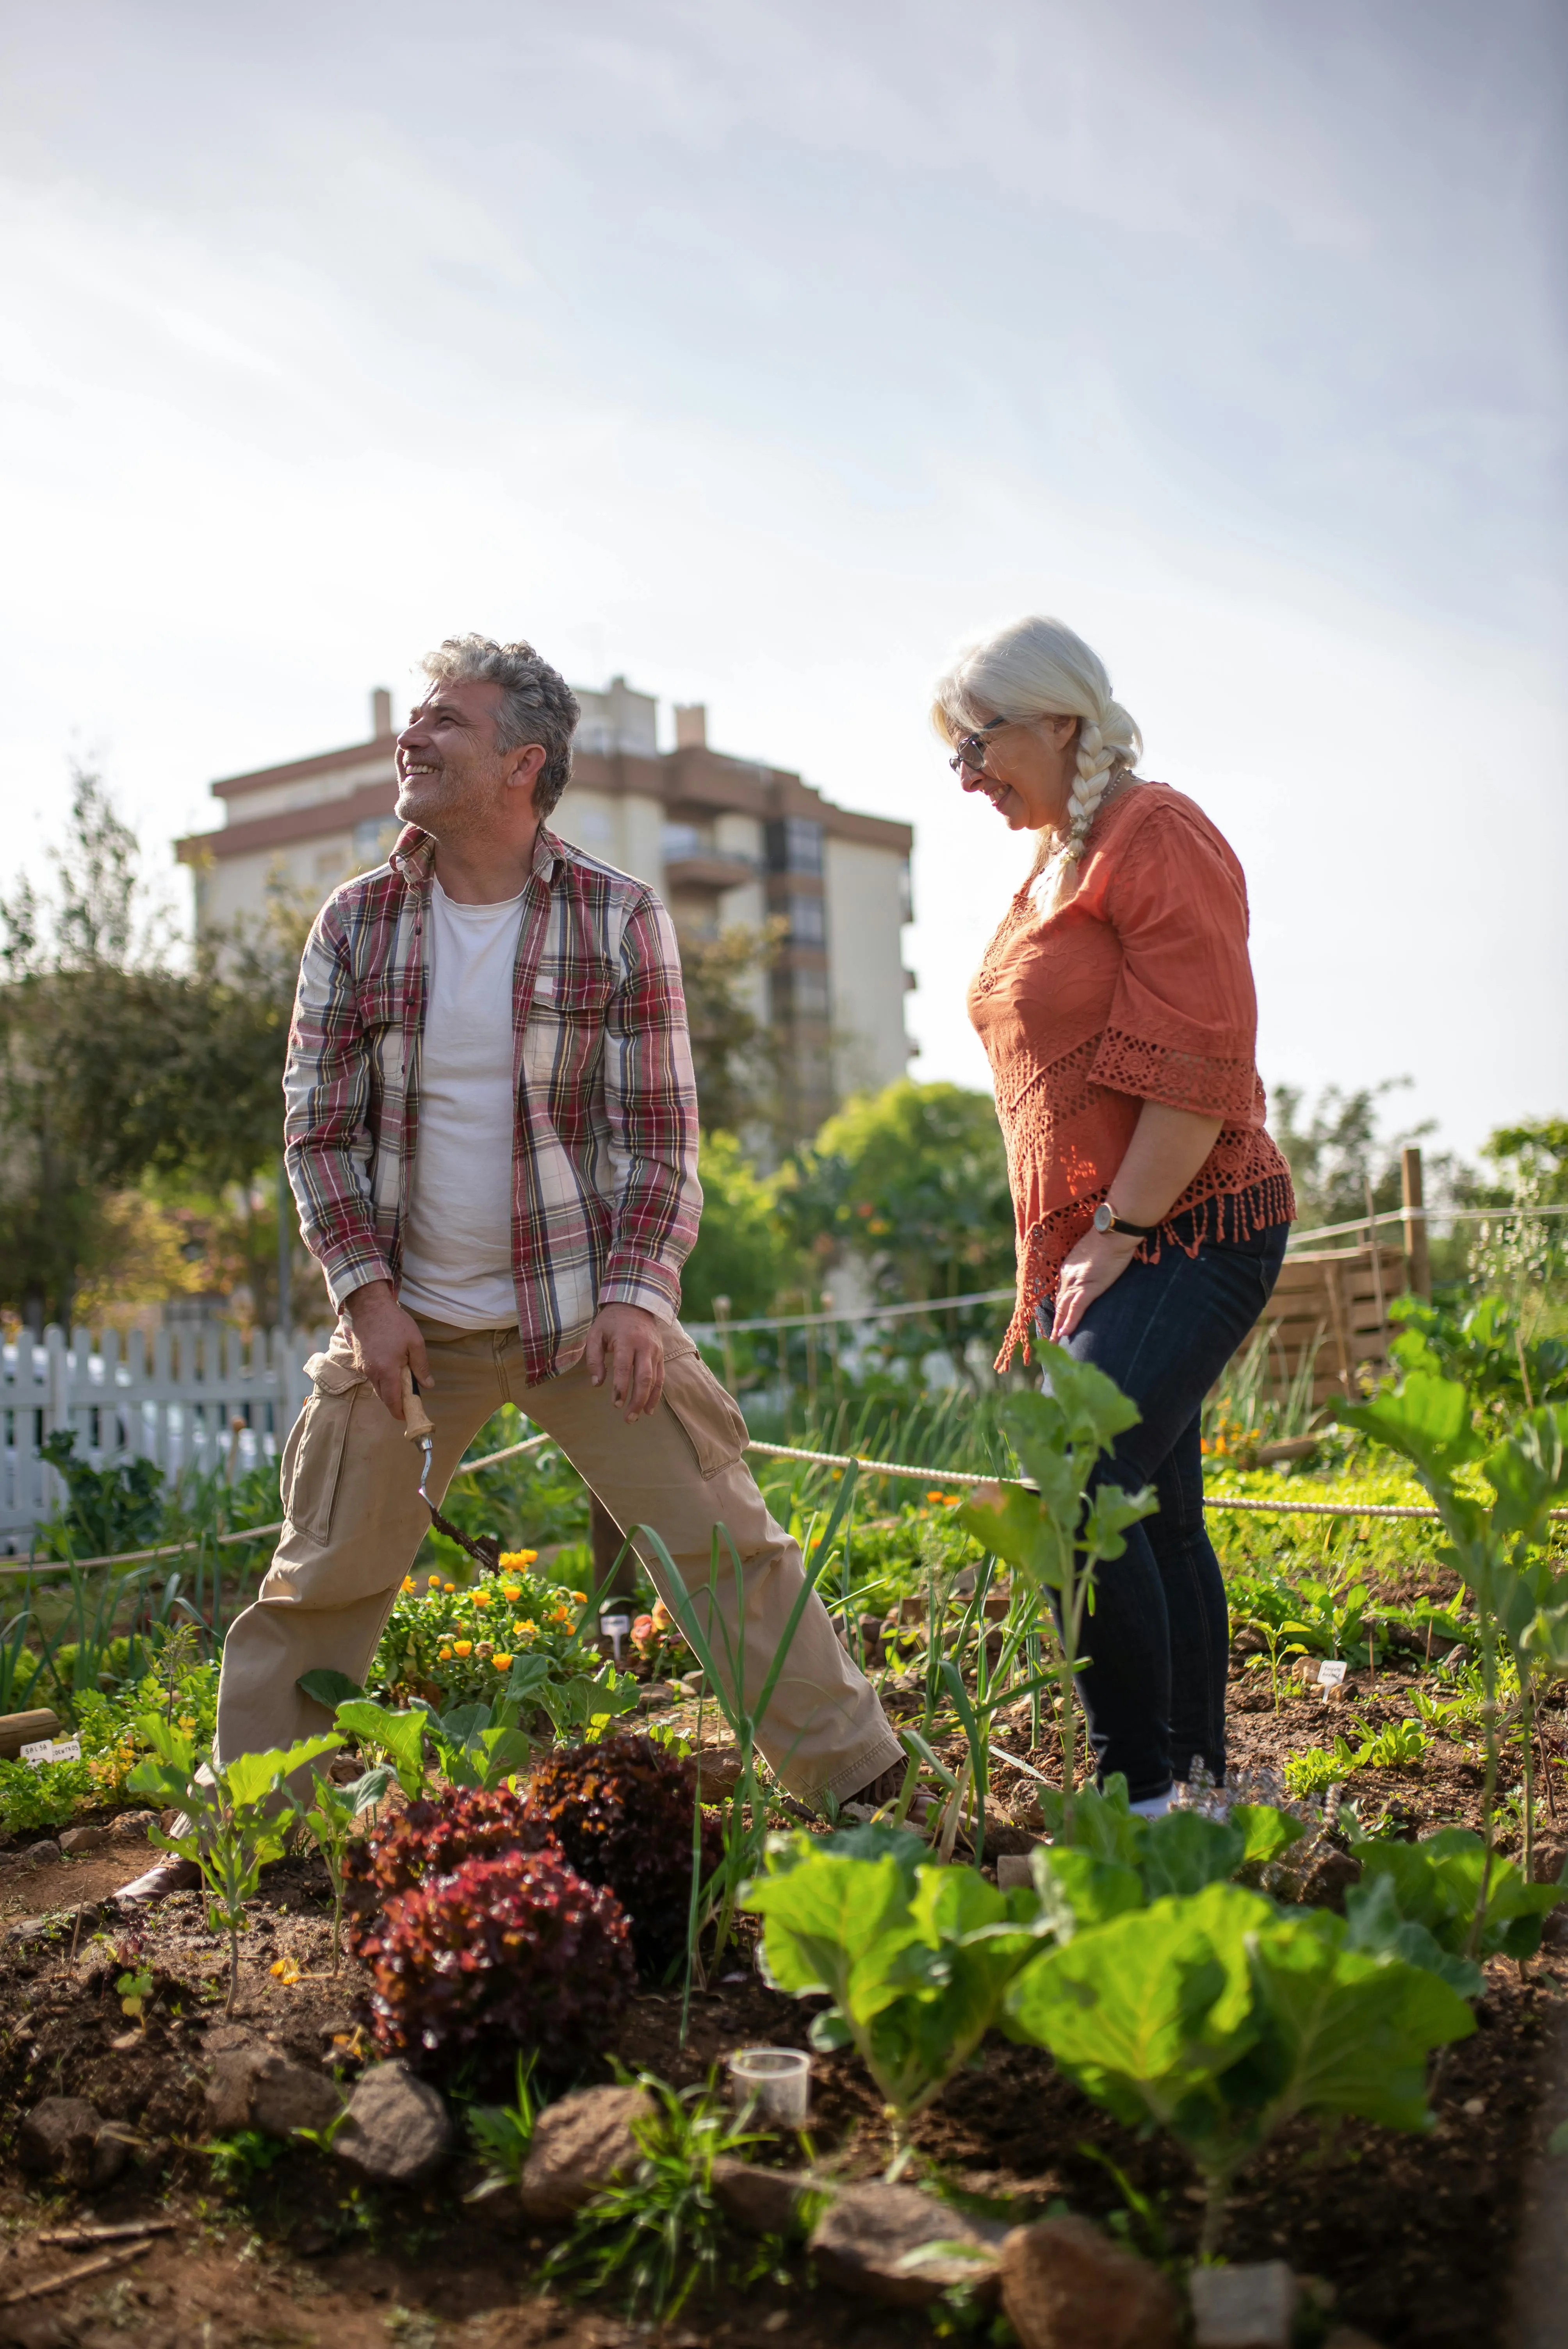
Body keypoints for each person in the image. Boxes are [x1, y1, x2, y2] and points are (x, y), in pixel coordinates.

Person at [119, 634, 901, 1900]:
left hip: (584, 1315)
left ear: (521, 763)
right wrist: (366, 1301)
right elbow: (316, 1128)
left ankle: (865, 1791)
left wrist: (642, 1298)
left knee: (726, 1545)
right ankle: (246, 1843)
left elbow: (659, 1137)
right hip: (408, 1324)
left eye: (444, 724)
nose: (410, 741)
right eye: (411, 722)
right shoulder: (360, 919)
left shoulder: (617, 916)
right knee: (323, 1575)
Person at [932, 615, 1295, 1817]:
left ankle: (1139, 1794)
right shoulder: (1053, 864)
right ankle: (1199, 1793)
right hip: (1113, 1235)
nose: (970, 776)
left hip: (1193, 1221)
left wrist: (1121, 1231)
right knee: (1155, 1513)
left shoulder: (1155, 833)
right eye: (956, 756)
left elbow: (1203, 1058)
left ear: (1061, 721)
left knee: (1078, 1487)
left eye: (981, 745)